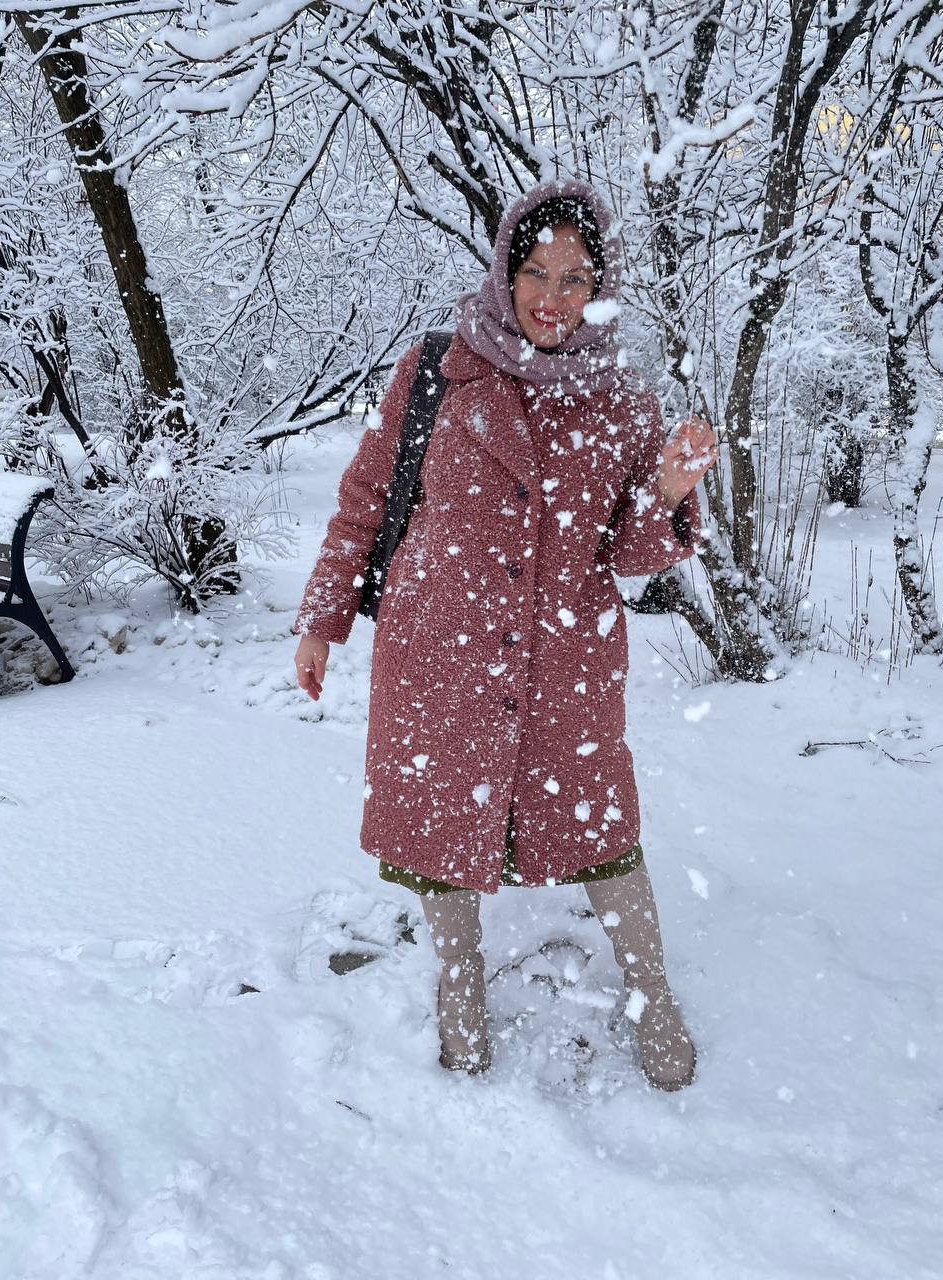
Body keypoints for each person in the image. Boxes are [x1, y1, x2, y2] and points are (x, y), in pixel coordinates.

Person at [293, 179, 717, 1089]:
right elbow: (367, 498)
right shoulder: (435, 370)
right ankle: (459, 987)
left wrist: (669, 492)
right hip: (439, 648)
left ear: (599, 288)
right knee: (443, 825)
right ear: (504, 271)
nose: (553, 299)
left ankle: (651, 992)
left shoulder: (622, 400)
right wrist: (324, 620)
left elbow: (631, 553)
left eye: (575, 279)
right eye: (537, 274)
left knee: (603, 828)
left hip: (566, 659)